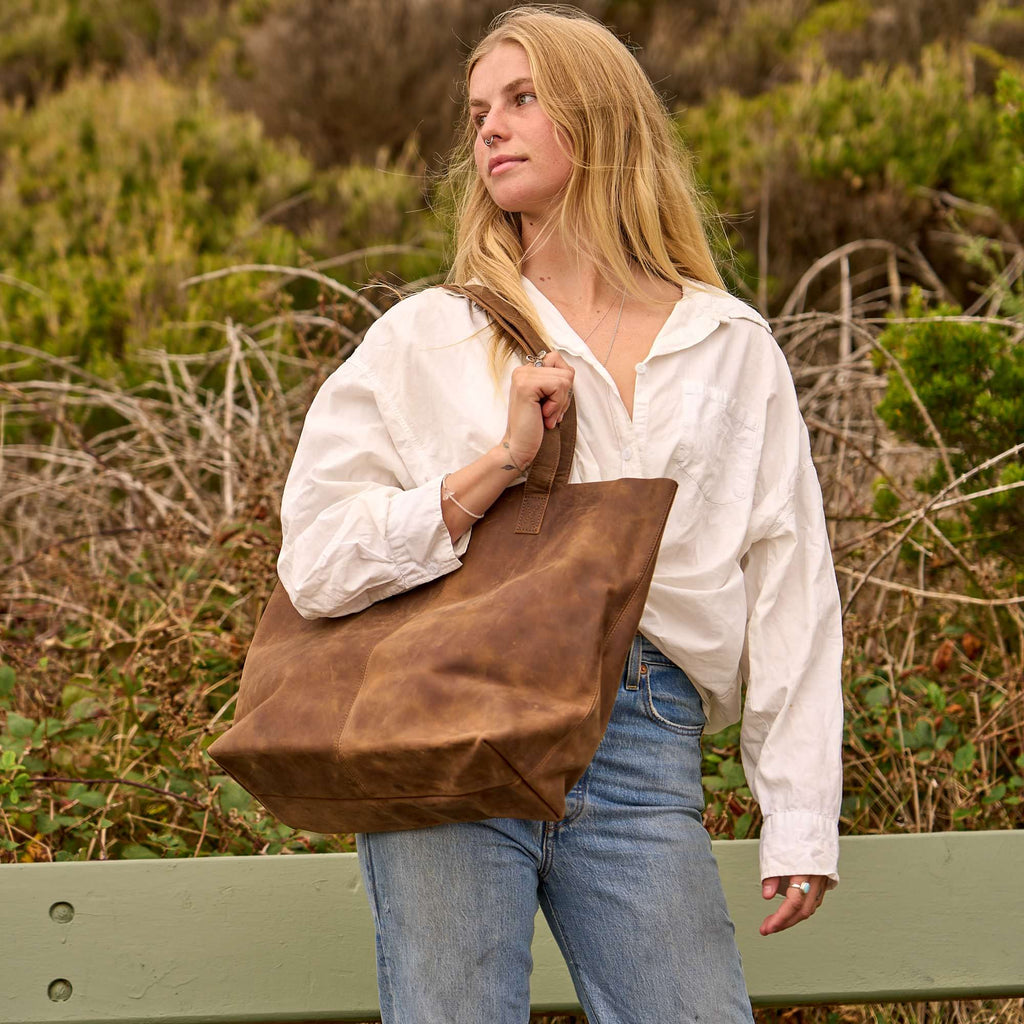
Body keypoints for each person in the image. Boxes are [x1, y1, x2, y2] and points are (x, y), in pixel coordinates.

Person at [277, 6, 843, 1022]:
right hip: (451, 723)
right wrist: (494, 466)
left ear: (603, 118)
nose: (489, 128)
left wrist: (798, 816)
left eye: (523, 99)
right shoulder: (428, 337)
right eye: (478, 110)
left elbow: (788, 579)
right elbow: (316, 560)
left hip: (644, 735)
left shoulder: (729, 343)